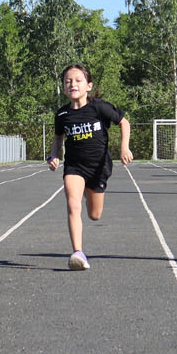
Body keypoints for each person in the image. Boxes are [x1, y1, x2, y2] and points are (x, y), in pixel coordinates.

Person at [46, 63, 132, 271]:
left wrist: (124, 147)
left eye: (77, 80)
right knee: (72, 203)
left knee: (95, 215)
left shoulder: (98, 107)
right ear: (63, 88)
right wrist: (54, 155)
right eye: (68, 82)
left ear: (88, 86)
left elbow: (124, 122)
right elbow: (58, 138)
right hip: (74, 167)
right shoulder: (62, 115)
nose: (72, 84)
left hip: (98, 168)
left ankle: (88, 191)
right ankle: (78, 252)